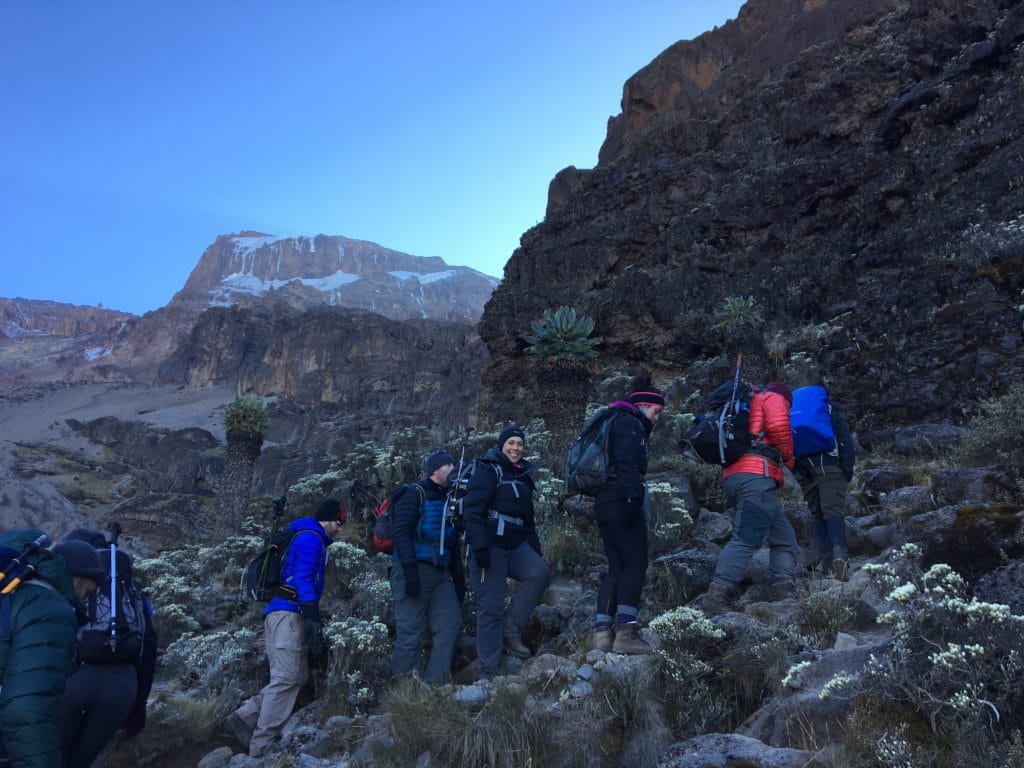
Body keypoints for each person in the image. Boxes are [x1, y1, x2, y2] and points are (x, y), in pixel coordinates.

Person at [225, 498, 346, 757]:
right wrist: (311, 610)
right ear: (328, 519)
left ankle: (247, 716)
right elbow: (302, 575)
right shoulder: (311, 539)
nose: (340, 528)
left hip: (281, 612)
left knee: (296, 675)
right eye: (339, 522)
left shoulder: (304, 535)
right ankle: (261, 747)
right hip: (289, 613)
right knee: (287, 677)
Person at [58, 529, 159, 768]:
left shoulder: (67, 584)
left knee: (51, 757)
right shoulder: (131, 593)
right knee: (81, 762)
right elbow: (148, 647)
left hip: (73, 679)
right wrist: (139, 705)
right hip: (122, 686)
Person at [699, 381, 798, 614]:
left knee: (784, 537)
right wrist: (790, 459)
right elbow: (778, 426)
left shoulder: (747, 404)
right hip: (756, 478)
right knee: (747, 537)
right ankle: (716, 596)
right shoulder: (772, 397)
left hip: (734, 477)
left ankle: (784, 592)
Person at [1, 531, 98, 768]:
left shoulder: (13, 590)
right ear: (77, 579)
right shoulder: (51, 610)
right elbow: (27, 709)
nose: (87, 600)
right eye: (89, 591)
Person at [463, 425, 552, 679]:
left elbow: (528, 518)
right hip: (489, 547)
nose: (515, 448)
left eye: (519, 444)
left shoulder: (522, 475)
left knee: (540, 574)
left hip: (515, 545)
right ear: (501, 445)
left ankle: (510, 629)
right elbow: (473, 509)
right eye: (511, 443)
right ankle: (488, 674)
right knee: (490, 607)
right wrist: (479, 545)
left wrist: (534, 549)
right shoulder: (488, 470)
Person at [592, 380, 665, 654]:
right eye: (655, 412)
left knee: (617, 566)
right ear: (642, 406)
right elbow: (625, 464)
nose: (656, 419)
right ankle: (625, 633)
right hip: (621, 498)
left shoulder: (612, 422)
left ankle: (602, 635)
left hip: (603, 501)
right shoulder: (630, 424)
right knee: (636, 564)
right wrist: (633, 499)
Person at [390, 448, 463, 683]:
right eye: (448, 466)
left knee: (451, 624)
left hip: (440, 574)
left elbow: (452, 545)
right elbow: (400, 532)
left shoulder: (449, 501)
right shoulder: (414, 493)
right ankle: (400, 695)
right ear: (434, 471)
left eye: (454, 465)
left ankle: (433, 687)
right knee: (410, 633)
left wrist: (458, 581)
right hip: (412, 570)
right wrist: (410, 571)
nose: (453, 470)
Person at [793, 393, 856, 581]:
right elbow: (845, 442)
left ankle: (827, 564)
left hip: (805, 471)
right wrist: (846, 471)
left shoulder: (794, 415)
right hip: (829, 468)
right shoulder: (831, 412)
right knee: (833, 512)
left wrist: (797, 470)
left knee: (818, 515)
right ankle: (840, 558)